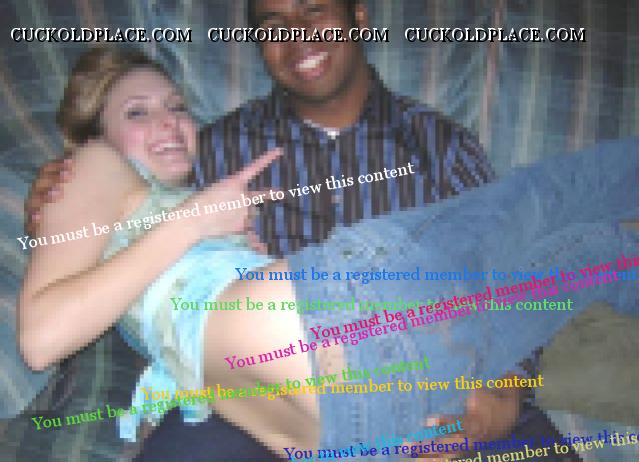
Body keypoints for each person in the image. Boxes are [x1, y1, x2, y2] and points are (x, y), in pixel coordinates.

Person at [22, 1, 568, 459]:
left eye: (313, 9)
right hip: (262, 390)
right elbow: (129, 200)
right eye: (274, 23)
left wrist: (504, 392)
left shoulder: (440, 146)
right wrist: (59, 196)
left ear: (357, 16)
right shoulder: (216, 148)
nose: (297, 34)